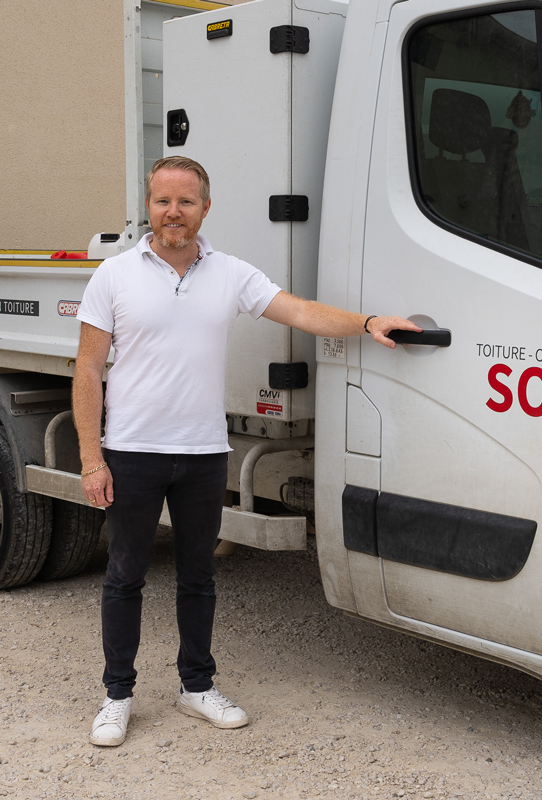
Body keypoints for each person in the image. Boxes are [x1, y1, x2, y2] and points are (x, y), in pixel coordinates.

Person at [72, 155, 420, 746]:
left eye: (185, 201)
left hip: (204, 453)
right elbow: (86, 369)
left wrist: (366, 323)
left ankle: (196, 686)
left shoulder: (230, 273)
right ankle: (117, 695)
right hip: (131, 451)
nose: (173, 212)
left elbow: (301, 312)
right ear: (148, 207)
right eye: (162, 201)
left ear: (205, 208)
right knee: (125, 576)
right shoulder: (114, 275)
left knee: (198, 575)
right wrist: (91, 458)